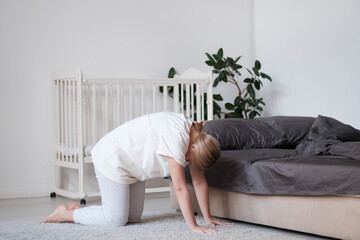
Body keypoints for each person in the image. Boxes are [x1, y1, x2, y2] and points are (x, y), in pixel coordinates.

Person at [43, 111, 231, 234]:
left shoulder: (196, 137)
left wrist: (207, 217)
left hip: (134, 169)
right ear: (192, 148)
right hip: (113, 159)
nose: (187, 163)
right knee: (116, 220)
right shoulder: (177, 137)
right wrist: (194, 226)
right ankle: (65, 214)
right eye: (189, 160)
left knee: (132, 218)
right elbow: (180, 188)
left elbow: (199, 182)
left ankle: (78, 210)